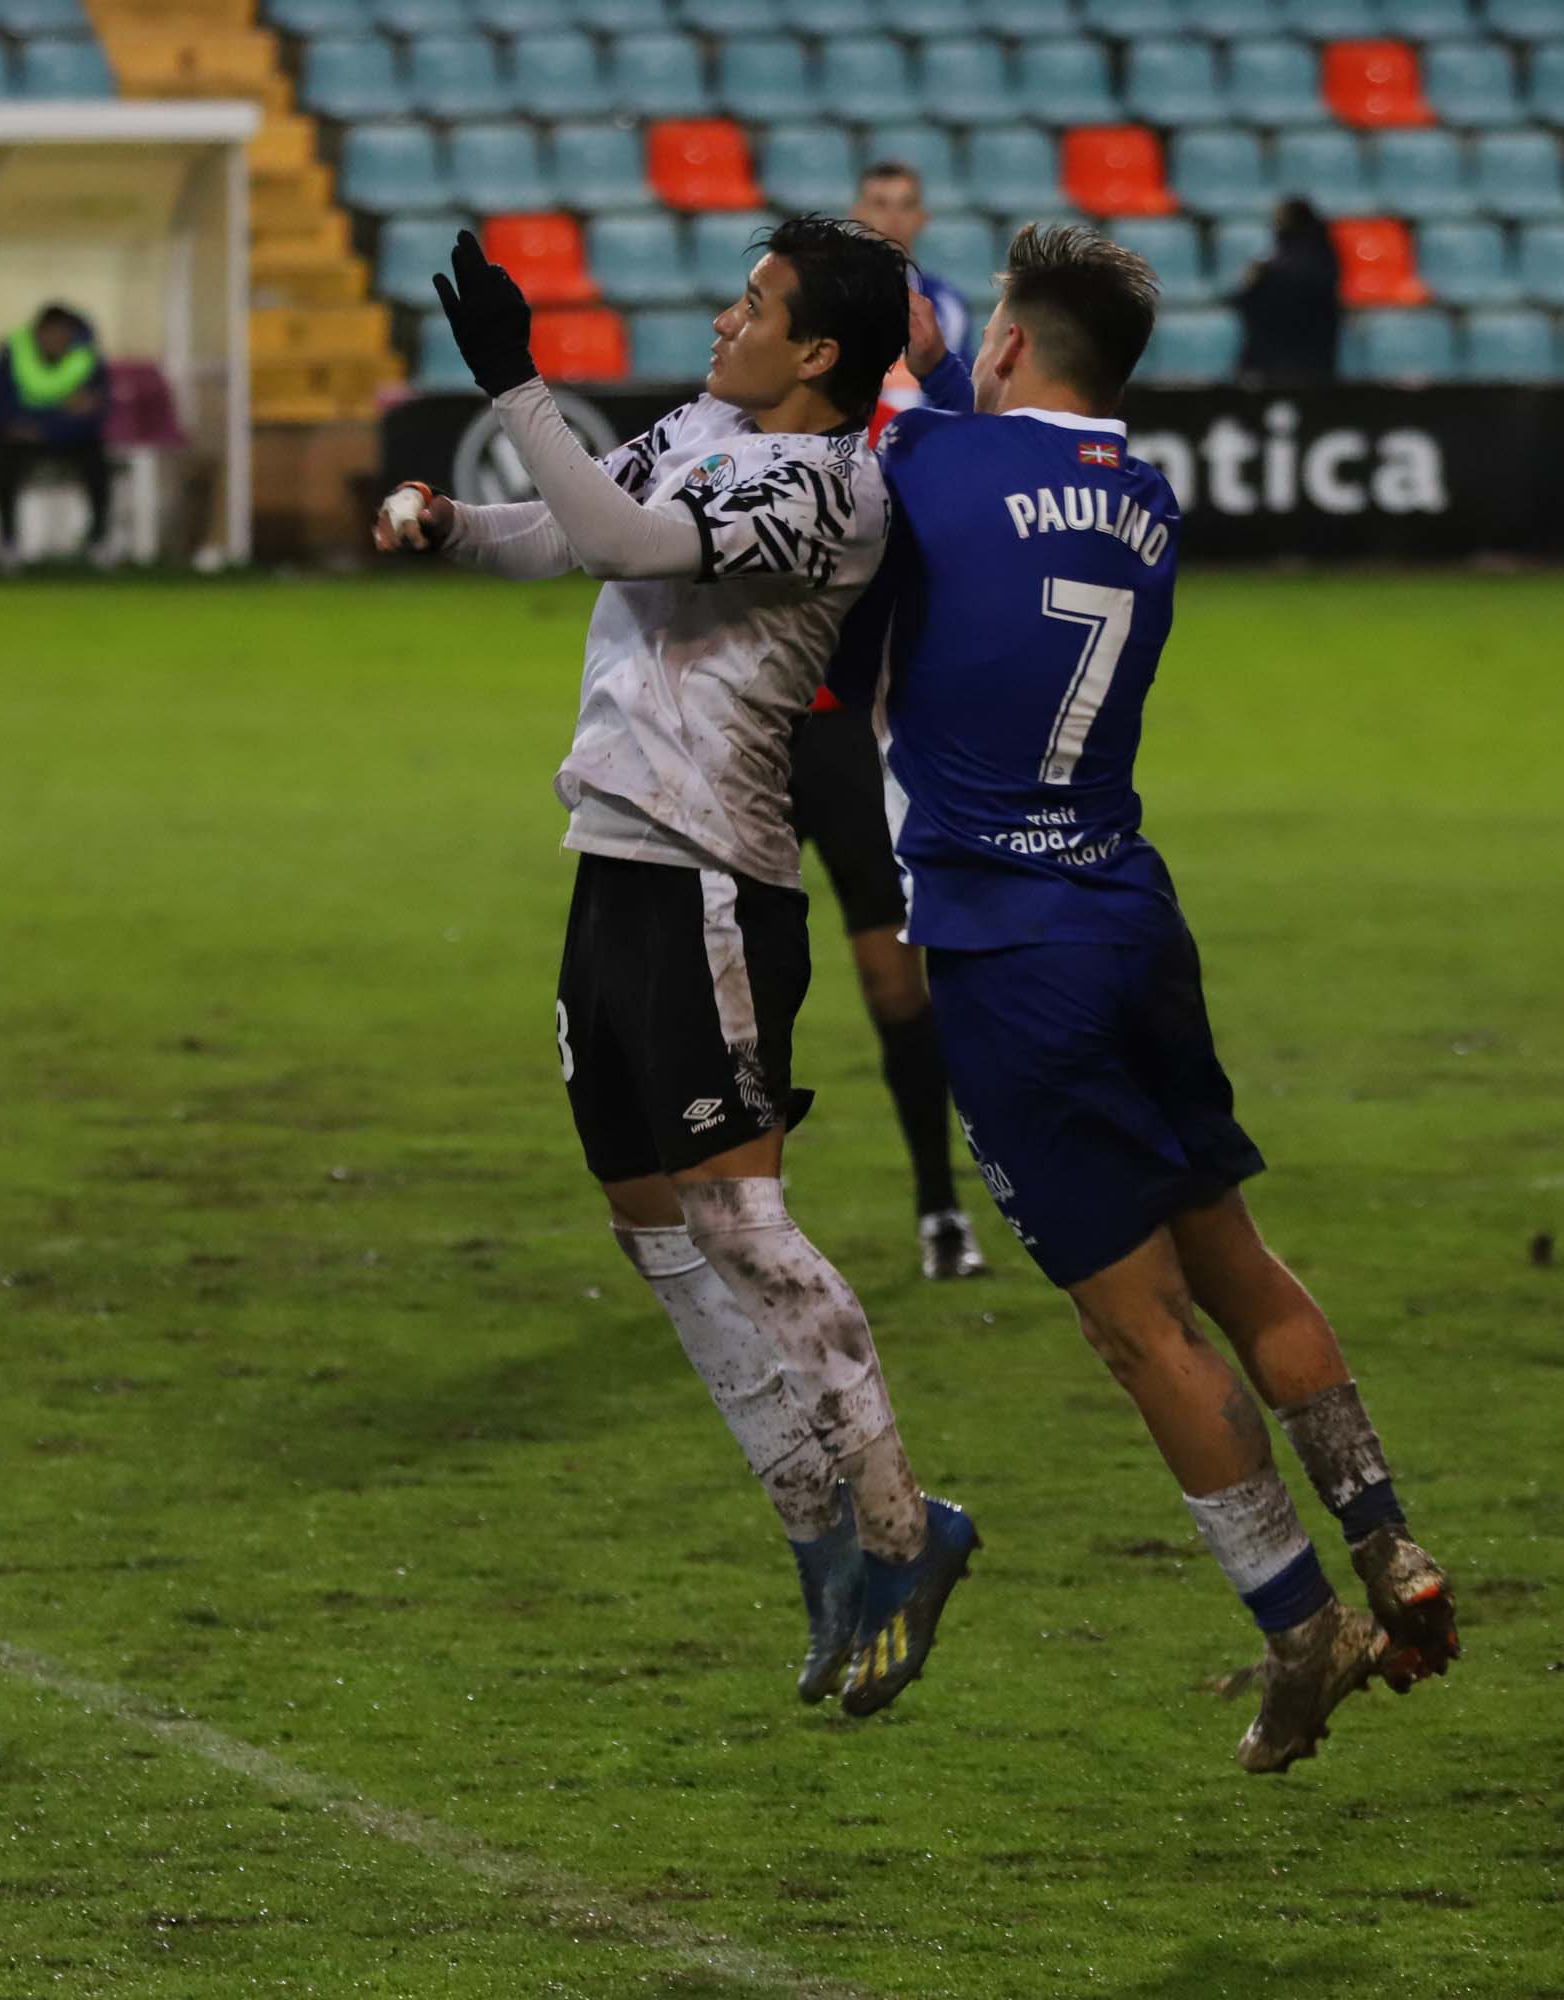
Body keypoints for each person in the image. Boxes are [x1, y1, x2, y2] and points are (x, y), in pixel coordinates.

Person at [831, 223, 1460, 1772]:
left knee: (1138, 1326)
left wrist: (905, 337)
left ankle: (1301, 1626)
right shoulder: (1148, 499)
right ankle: (1388, 1538)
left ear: (1006, 346)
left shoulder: (935, 464)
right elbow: (957, 421)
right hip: (1130, 917)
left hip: (1008, 952)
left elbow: (878, 396)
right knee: (1236, 1260)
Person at [374, 223, 976, 1718]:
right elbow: (575, 523)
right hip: (615, 861)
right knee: (651, 1216)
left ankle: (908, 1530)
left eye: (754, 305)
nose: (723, 319)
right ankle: (814, 1531)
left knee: (743, 1222)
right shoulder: (711, 424)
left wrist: (517, 384)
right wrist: (453, 524)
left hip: (714, 879)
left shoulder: (830, 487)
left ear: (818, 352)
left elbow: (632, 547)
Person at [722, 163, 984, 1281]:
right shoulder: (738, 425)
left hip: (837, 739)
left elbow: (964, 524)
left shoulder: (905, 435)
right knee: (743, 993)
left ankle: (939, 1207)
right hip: (741, 739)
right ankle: (748, 1223)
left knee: (891, 981)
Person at [849, 160, 975, 440]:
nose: (894, 218)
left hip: (926, 446)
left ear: (922, 217)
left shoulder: (949, 305)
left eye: (906, 206)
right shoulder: (830, 297)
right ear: (857, 214)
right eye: (880, 204)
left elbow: (959, 394)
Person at [0, 303, 113, 568]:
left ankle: (98, 541)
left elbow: (92, 414)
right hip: (25, 440)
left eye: (63, 334)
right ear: (38, 333)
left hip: (67, 438)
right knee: (1, 463)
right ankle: (8, 543)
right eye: (51, 333)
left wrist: (43, 427)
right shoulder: (13, 354)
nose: (57, 340)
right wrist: (59, 413)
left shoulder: (86, 360)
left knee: (98, 462)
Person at [1229, 198, 1341, 389]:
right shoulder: (1326, 258)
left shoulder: (1278, 268)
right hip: (1310, 360)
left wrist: (1255, 280)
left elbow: (1246, 301)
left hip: (1283, 359)